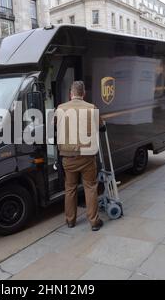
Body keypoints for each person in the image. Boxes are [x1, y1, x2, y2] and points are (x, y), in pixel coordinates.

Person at [56, 81, 105, 232]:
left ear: (71, 94)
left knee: (70, 188)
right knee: (90, 187)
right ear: (84, 93)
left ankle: (70, 221)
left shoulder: (60, 109)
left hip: (68, 156)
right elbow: (101, 126)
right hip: (87, 156)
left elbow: (54, 125)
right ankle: (94, 222)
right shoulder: (91, 108)